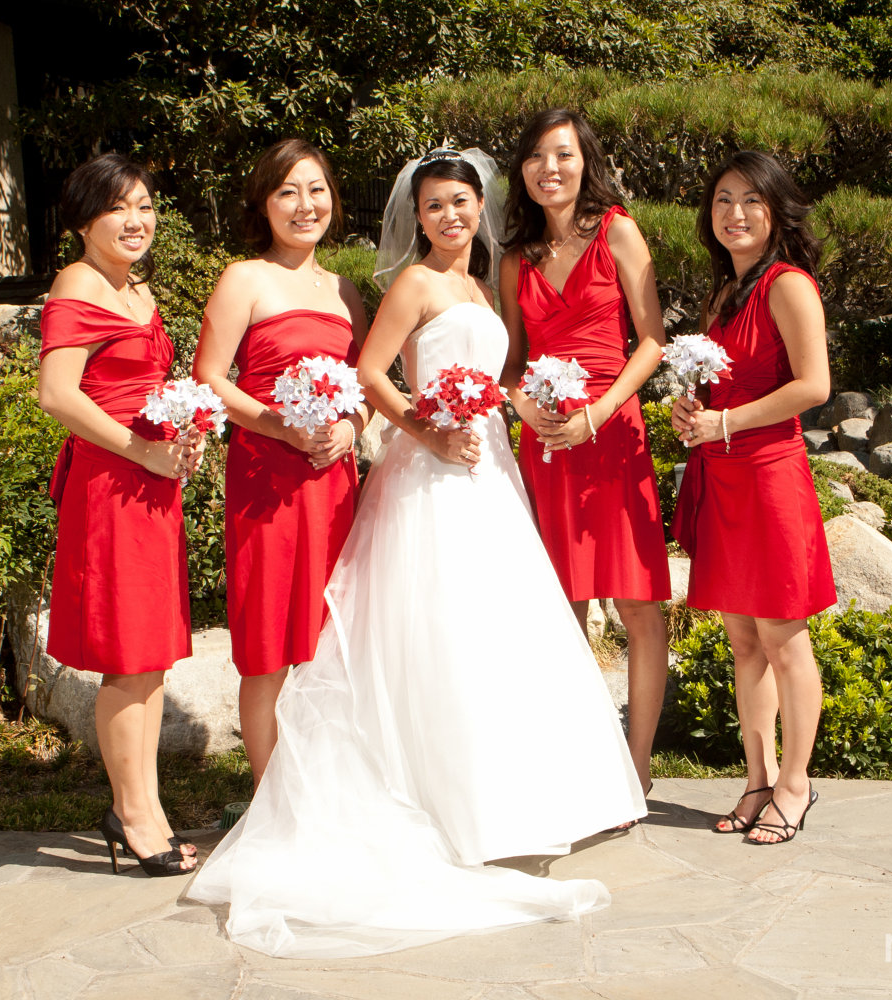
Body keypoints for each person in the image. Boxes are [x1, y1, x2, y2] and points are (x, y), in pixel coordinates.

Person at [184, 148, 645, 958]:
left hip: (488, 466)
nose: (449, 217)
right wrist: (424, 427)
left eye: (461, 202)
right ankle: (419, 802)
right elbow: (369, 372)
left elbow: (479, 374)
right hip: (426, 470)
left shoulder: (480, 284)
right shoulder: (413, 283)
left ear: (481, 207)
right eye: (434, 206)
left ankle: (518, 800)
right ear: (416, 216)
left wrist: (523, 403)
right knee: (428, 629)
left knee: (494, 631)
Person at [37, 154, 201, 877]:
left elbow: (144, 382)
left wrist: (182, 432)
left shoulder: (135, 288)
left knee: (150, 657)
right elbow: (58, 395)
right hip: (112, 486)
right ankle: (132, 816)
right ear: (83, 220)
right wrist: (144, 449)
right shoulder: (78, 283)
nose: (137, 221)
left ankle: (148, 809)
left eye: (146, 206)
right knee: (126, 660)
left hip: (150, 484)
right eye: (118, 209)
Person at [499, 108, 671, 798]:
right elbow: (509, 361)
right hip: (546, 439)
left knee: (638, 605)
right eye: (538, 157)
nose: (551, 169)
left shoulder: (618, 231)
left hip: (613, 432)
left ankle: (636, 762)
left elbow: (652, 340)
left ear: (585, 161)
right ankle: (578, 756)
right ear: (523, 171)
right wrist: (525, 407)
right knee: (561, 604)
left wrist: (599, 411)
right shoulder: (516, 258)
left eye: (563, 155)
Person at [669, 150, 835, 844]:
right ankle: (757, 779)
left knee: (783, 638)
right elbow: (724, 388)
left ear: (777, 212)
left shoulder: (788, 285)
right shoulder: (723, 294)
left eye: (750, 202)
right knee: (742, 639)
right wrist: (693, 413)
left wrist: (726, 422)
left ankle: (796, 786)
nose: (734, 214)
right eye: (722, 201)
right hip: (724, 475)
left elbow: (814, 386)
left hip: (769, 476)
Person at [193, 139, 369, 790]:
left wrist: (351, 429)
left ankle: (326, 787)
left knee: (330, 644)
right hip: (266, 479)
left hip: (334, 483)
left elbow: (368, 387)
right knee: (267, 644)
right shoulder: (245, 278)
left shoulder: (348, 290)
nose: (305, 205)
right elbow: (209, 377)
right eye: (287, 192)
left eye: (316, 189)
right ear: (263, 204)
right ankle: (272, 801)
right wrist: (277, 426)